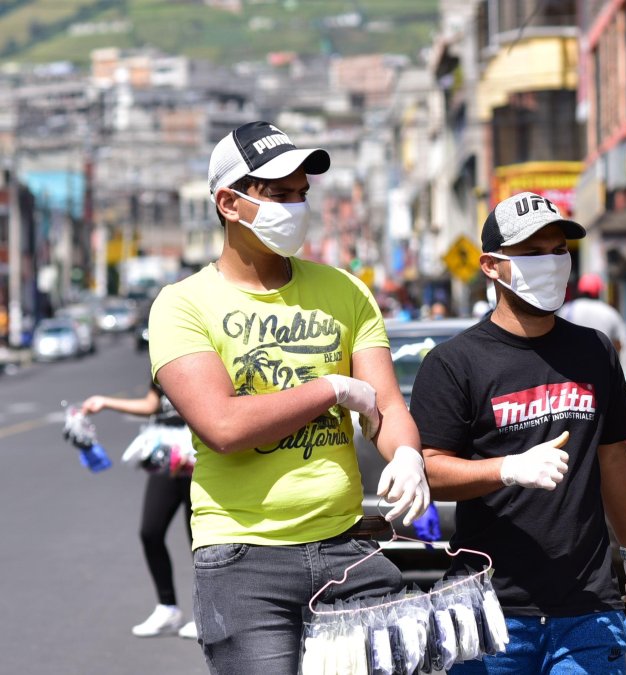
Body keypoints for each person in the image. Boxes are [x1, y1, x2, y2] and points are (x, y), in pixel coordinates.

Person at [148, 121, 430, 674]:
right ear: (229, 202)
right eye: (279, 195)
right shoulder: (182, 304)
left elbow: (388, 407)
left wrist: (406, 454)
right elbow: (224, 427)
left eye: (302, 194)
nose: (296, 208)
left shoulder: (344, 290)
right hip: (243, 559)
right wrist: (331, 388)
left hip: (348, 547)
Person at [408, 191, 626, 674]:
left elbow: (612, 457)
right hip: (489, 609)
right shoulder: (455, 362)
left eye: (558, 250)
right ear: (491, 266)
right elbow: (429, 470)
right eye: (531, 253)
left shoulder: (595, 351)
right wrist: (506, 469)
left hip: (588, 606)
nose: (551, 263)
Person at [82, 383, 198, 640]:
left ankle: (206, 612)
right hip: (167, 449)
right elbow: (151, 405)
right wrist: (105, 401)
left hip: (199, 447)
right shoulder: (160, 357)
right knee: (150, 531)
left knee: (200, 541)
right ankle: (167, 607)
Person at [558, 272, 626, 353]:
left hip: (571, 361)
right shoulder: (610, 312)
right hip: (601, 362)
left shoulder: (567, 309)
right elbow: (619, 344)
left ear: (579, 290)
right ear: (599, 291)